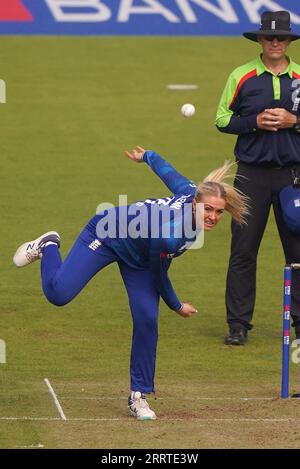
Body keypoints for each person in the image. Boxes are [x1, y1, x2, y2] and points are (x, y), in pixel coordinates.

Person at [13, 146, 249, 419]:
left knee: (147, 319)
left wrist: (148, 156)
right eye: (208, 209)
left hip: (140, 257)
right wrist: (176, 305)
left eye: (219, 212)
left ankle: (139, 396)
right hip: (107, 235)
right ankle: (49, 244)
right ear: (195, 203)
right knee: (58, 293)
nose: (213, 217)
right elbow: (160, 273)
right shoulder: (171, 235)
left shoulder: (189, 192)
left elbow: (168, 173)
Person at [215, 10, 300, 346]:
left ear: (289, 40)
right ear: (260, 40)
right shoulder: (242, 75)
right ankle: (238, 325)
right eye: (269, 37)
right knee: (243, 250)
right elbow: (222, 119)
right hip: (250, 176)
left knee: (297, 252)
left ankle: (299, 325)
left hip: (293, 176)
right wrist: (253, 122)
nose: (275, 42)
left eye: (281, 37)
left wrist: (294, 120)